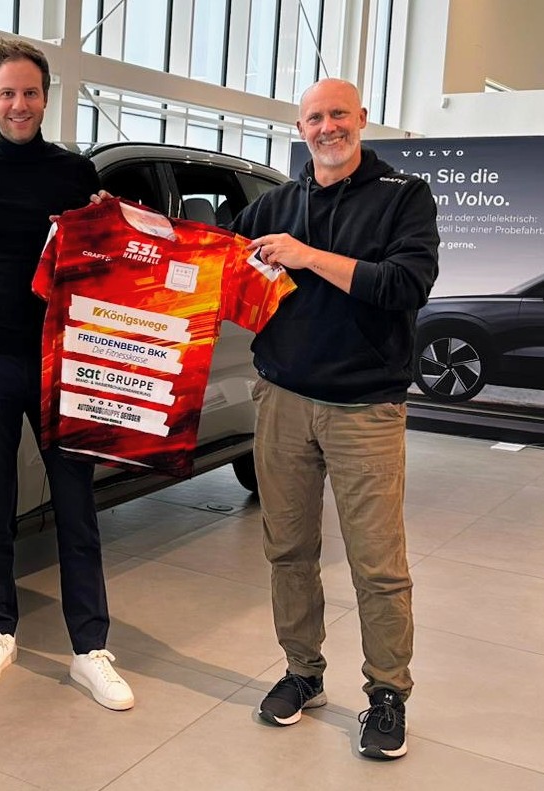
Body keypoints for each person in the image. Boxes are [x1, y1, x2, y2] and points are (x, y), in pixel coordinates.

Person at [0, 38, 134, 711]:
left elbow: (107, 265)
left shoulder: (74, 173)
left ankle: (90, 648)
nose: (19, 104)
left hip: (61, 359)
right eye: (8, 93)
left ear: (46, 98)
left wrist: (110, 225)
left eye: (30, 93)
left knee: (75, 503)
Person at [231, 78, 439, 759]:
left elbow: (405, 285)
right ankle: (303, 672)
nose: (328, 127)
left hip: (364, 408)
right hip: (282, 400)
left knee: (378, 564)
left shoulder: (404, 196)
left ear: (362, 119)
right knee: (288, 550)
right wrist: (119, 231)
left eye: (339, 114)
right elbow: (214, 267)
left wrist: (306, 256)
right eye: (315, 117)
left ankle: (388, 692)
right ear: (300, 127)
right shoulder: (273, 204)